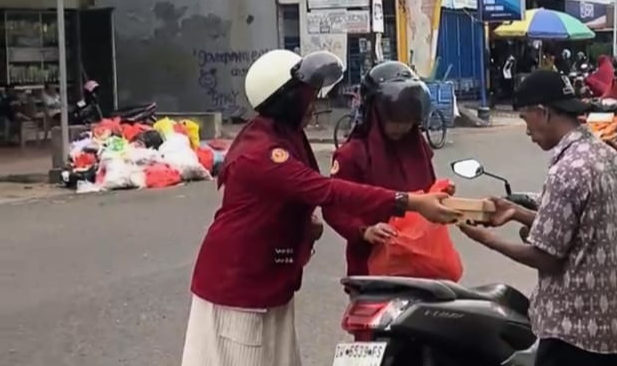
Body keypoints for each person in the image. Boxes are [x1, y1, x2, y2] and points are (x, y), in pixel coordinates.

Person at [181, 49, 461, 366]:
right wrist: (407, 202)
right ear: (286, 99)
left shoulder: (288, 137)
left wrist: (302, 224)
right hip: (239, 282)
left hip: (271, 276)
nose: (313, 104)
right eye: (308, 96)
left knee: (277, 358)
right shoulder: (263, 151)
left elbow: (300, 195)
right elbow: (326, 190)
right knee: (244, 356)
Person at [459, 70, 617, 366]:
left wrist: (488, 240)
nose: (526, 129)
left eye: (525, 119)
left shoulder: (568, 169)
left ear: (542, 113)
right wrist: (517, 213)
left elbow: (547, 257)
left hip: (577, 334)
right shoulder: (605, 154)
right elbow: (578, 232)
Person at [324, 61, 454, 276]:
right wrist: (364, 231)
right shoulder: (352, 155)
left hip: (422, 262)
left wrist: (443, 193)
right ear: (375, 113)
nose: (401, 127)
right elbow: (333, 207)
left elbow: (426, 193)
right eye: (394, 120)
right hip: (372, 268)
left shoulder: (417, 147)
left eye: (408, 121)